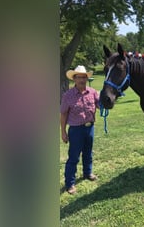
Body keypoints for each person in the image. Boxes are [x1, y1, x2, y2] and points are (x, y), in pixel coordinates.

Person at [60, 65, 100, 194]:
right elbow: (63, 114)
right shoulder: (68, 95)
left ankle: (87, 173)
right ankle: (70, 183)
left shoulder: (93, 92)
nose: (82, 80)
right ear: (74, 79)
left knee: (88, 153)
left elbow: (101, 105)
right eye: (79, 77)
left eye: (84, 77)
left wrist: (109, 98)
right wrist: (63, 132)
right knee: (74, 157)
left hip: (90, 128)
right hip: (76, 130)